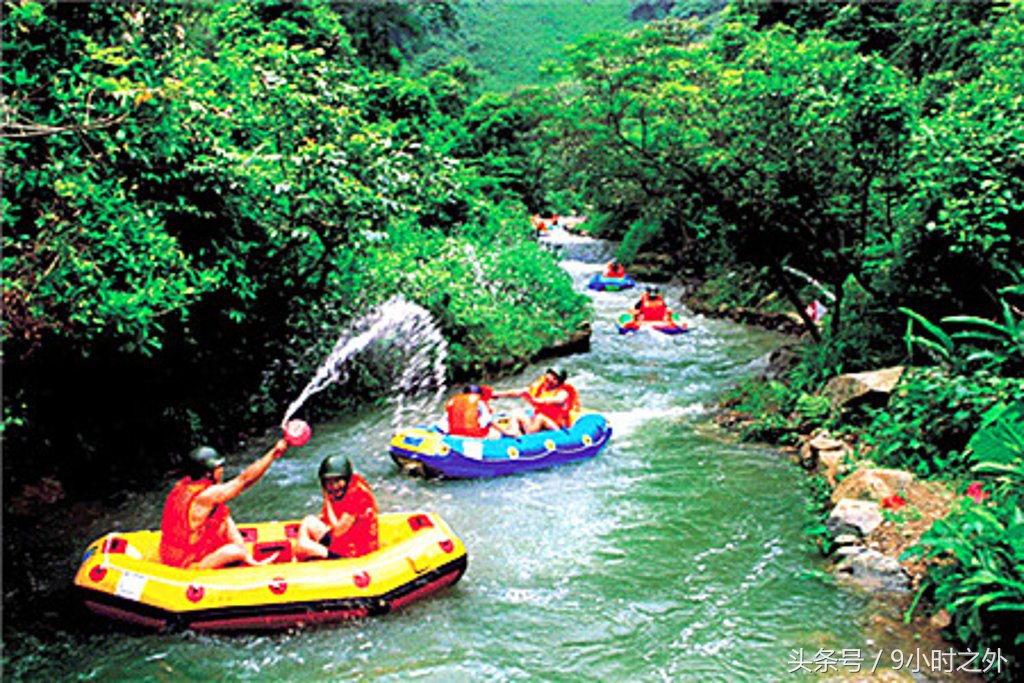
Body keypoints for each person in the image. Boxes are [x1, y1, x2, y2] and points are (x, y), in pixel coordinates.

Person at [159, 440, 289, 569]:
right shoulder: (206, 496)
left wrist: (244, 550)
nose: (222, 470)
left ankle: (242, 556)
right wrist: (273, 453)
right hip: (186, 563)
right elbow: (244, 481)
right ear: (208, 473)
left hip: (170, 552)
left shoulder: (183, 486)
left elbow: (225, 519)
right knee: (235, 551)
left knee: (223, 518)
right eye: (219, 467)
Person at [295, 455, 379, 561]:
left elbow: (338, 531)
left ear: (346, 478)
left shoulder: (358, 495)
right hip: (347, 540)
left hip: (357, 552)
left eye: (338, 481)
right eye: (330, 482)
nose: (334, 486)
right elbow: (327, 518)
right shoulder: (346, 488)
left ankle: (333, 558)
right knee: (308, 521)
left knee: (302, 547)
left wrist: (327, 499)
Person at [492, 368, 580, 434]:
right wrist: (497, 394)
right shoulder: (540, 388)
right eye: (550, 376)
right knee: (517, 412)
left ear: (559, 382)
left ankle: (528, 438)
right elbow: (518, 392)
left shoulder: (562, 392)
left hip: (554, 425)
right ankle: (514, 435)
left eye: (555, 379)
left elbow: (558, 399)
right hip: (537, 424)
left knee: (540, 417)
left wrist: (537, 400)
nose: (551, 380)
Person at [444, 384, 518, 439]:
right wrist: (507, 433)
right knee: (511, 422)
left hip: (455, 436)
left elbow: (443, 425)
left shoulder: (454, 402)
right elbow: (488, 421)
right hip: (476, 436)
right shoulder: (479, 402)